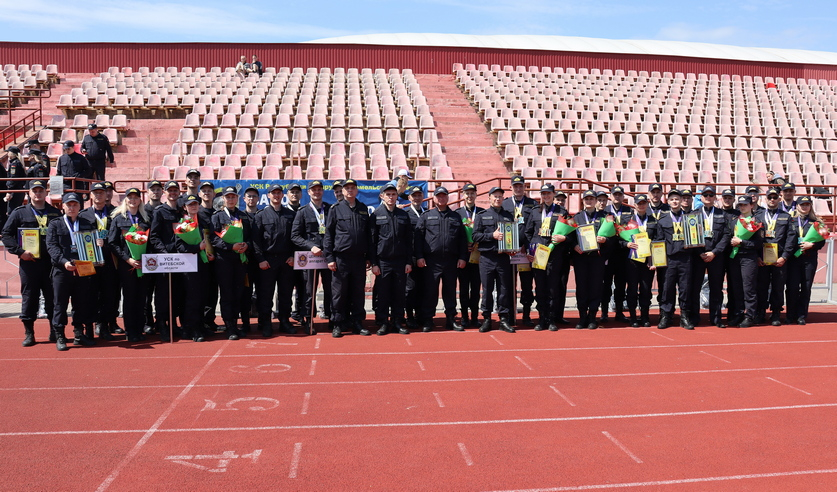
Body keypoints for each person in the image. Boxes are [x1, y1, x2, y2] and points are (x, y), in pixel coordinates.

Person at [1, 179, 61, 346]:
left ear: (46, 192)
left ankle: (54, 331)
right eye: (34, 191)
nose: (38, 194)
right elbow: (6, 235)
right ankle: (29, 333)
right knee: (29, 297)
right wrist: (20, 252)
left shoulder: (55, 213)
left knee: (53, 298)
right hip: (29, 264)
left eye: (41, 190)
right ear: (29, 193)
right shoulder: (19, 213)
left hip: (51, 263)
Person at [46, 192, 96, 351]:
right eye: (69, 205)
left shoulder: (87, 223)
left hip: (82, 269)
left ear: (80, 206)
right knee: (60, 304)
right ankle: (60, 335)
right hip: (62, 270)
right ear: (63, 206)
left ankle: (78, 334)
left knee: (81, 302)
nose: (72, 208)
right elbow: (52, 247)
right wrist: (64, 262)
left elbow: (93, 246)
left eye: (75, 205)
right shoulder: (55, 224)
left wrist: (99, 244)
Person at [415, 186, 467, 332]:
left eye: (444, 196)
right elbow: (418, 238)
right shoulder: (426, 216)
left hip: (451, 260)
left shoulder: (455, 216)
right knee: (430, 291)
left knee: (450, 291)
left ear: (447, 198)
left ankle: (451, 319)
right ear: (434, 198)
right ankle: (428, 319)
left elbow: (462, 239)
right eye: (438, 196)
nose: (441, 198)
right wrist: (419, 256)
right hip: (431, 261)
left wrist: (463, 257)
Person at [323, 179, 370, 337]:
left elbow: (368, 235)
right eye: (347, 188)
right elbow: (329, 235)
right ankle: (337, 323)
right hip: (341, 258)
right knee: (339, 293)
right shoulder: (335, 209)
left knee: (358, 293)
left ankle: (357, 323)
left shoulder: (363, 208)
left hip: (359, 258)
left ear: (356, 190)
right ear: (342, 191)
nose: (350, 190)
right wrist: (330, 258)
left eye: (352, 188)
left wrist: (369, 257)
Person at [523, 183, 569, 331]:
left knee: (553, 288)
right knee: (540, 287)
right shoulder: (535, 211)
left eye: (548, 193)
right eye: (543, 193)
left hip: (554, 254)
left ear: (553, 194)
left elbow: (570, 232)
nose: (546, 196)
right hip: (538, 254)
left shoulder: (562, 211)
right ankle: (542, 318)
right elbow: (528, 232)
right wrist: (531, 249)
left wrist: (564, 238)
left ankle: (551, 319)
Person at [369, 183, 414, 335]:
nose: (391, 197)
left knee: (399, 294)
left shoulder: (403, 215)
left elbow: (408, 241)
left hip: (400, 261)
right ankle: (383, 322)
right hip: (383, 261)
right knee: (383, 294)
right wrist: (374, 263)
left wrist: (408, 261)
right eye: (388, 194)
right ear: (382, 196)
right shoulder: (376, 215)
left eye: (393, 194)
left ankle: (397, 322)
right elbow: (372, 241)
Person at [253, 184, 297, 337]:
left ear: (282, 195)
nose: (276, 196)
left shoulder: (290, 215)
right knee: (266, 294)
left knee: (286, 293)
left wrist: (293, 255)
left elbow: (295, 237)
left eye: (279, 193)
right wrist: (260, 259)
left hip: (286, 260)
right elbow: (256, 240)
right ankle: (266, 323)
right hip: (268, 260)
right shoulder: (261, 215)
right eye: (273, 193)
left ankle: (284, 321)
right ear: (268, 195)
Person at [108, 187, 151, 342]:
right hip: (127, 265)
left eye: (136, 197)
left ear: (140, 200)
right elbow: (112, 243)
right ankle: (130, 331)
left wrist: (145, 259)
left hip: (144, 265)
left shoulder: (146, 219)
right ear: (125, 200)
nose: (133, 200)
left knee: (142, 297)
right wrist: (128, 259)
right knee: (130, 297)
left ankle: (139, 329)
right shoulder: (118, 219)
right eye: (130, 197)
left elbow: (151, 241)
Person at [211, 186, 253, 340]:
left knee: (238, 293)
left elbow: (250, 236)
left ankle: (235, 322)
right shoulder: (217, 216)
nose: (230, 199)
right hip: (224, 261)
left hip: (240, 260)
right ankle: (229, 326)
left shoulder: (243, 216)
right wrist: (230, 246)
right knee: (227, 293)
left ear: (237, 198)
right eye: (228, 197)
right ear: (223, 198)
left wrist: (246, 245)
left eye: (233, 197)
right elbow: (214, 239)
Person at [472, 186, 515, 333]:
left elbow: (512, 236)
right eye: (495, 196)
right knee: (487, 290)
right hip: (487, 258)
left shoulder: (508, 216)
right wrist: (492, 236)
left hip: (503, 258)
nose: (498, 199)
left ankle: (503, 319)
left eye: (500, 196)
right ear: (489, 198)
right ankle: (487, 319)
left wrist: (512, 247)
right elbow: (475, 236)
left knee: (504, 289)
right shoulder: (482, 215)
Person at [687, 186, 732, 327]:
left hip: (716, 256)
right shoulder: (693, 214)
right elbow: (691, 237)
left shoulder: (722, 214)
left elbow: (727, 235)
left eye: (711, 195)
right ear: (700, 197)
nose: (708, 197)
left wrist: (715, 252)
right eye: (705, 195)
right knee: (695, 287)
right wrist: (700, 253)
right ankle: (694, 317)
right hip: (698, 256)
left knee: (716, 287)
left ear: (715, 197)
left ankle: (716, 318)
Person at [79, 182, 118, 340]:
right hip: (90, 261)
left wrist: (106, 243)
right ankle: (90, 326)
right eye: (96, 193)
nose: (99, 195)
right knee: (90, 294)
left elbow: (118, 237)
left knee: (109, 295)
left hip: (110, 260)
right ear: (91, 195)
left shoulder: (115, 213)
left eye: (102, 192)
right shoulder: (83, 215)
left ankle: (105, 326)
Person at [291, 180, 332, 332]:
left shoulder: (330, 209)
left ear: (323, 191)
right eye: (313, 190)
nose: (316, 192)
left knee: (330, 288)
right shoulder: (302, 211)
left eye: (319, 189)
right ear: (308, 192)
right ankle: (309, 319)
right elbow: (295, 236)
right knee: (309, 289)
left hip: (327, 255)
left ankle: (331, 317)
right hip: (310, 257)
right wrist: (310, 246)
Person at [755, 187, 798, 325]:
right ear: (765, 199)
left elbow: (791, 238)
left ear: (779, 199)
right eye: (770, 197)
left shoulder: (786, 216)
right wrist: (756, 256)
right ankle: (761, 312)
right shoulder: (758, 216)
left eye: (775, 197)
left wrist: (784, 256)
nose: (772, 200)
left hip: (779, 258)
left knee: (778, 286)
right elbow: (752, 237)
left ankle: (776, 313)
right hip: (762, 257)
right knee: (761, 286)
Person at [149, 181, 185, 341]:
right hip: (165, 260)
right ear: (165, 192)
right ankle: (162, 324)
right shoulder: (159, 212)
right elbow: (154, 236)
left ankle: (173, 323)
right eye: (170, 190)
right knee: (163, 294)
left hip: (181, 259)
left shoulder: (182, 211)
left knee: (177, 293)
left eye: (175, 190)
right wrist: (164, 254)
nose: (173, 193)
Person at [653, 189, 694, 329]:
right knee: (667, 288)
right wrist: (657, 260)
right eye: (672, 199)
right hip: (669, 259)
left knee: (685, 288)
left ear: (681, 201)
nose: (675, 202)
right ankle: (666, 315)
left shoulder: (689, 218)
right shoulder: (663, 219)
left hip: (685, 258)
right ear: (668, 202)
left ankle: (684, 317)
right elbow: (659, 240)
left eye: (677, 199)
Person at [173, 194, 211, 342]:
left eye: (195, 204)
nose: (193, 207)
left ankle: (200, 325)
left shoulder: (204, 221)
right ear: (185, 207)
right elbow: (179, 246)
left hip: (204, 263)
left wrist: (209, 252)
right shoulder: (182, 224)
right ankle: (191, 329)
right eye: (190, 204)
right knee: (192, 298)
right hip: (189, 265)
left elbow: (210, 240)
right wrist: (197, 248)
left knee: (202, 296)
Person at [570, 190, 610, 329]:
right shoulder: (576, 217)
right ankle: (582, 317)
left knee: (595, 287)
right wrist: (574, 246)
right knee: (581, 287)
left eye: (591, 199)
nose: (589, 201)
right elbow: (569, 236)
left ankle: (592, 316)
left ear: (596, 201)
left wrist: (605, 240)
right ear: (583, 201)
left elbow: (613, 237)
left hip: (597, 258)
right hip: (581, 257)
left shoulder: (605, 217)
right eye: (586, 199)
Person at [618, 194, 657, 327]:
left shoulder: (653, 220)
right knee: (632, 289)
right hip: (632, 261)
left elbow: (658, 239)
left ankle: (645, 316)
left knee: (646, 289)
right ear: (634, 205)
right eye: (639, 203)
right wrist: (626, 244)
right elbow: (618, 240)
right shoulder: (626, 221)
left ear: (647, 204)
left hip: (647, 261)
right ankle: (633, 317)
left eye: (643, 203)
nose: (641, 205)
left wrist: (654, 260)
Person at [502, 175, 536, 325]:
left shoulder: (533, 204)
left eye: (520, 186)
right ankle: (511, 315)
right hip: (509, 252)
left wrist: (527, 246)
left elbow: (534, 227)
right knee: (509, 284)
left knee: (527, 284)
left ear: (524, 187)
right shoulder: (504, 204)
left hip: (525, 252)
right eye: (515, 186)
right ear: (511, 187)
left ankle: (526, 314)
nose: (518, 188)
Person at [785, 196, 824, 325]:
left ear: (810, 206)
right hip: (793, 259)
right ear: (797, 206)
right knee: (792, 287)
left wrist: (812, 245)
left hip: (809, 259)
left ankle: (801, 315)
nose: (804, 207)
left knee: (806, 287)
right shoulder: (791, 220)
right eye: (802, 204)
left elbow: (822, 241)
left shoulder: (817, 222)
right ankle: (790, 314)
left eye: (807, 204)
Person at [727, 195, 764, 327]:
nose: (742, 207)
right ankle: (739, 313)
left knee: (749, 287)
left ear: (751, 206)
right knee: (736, 288)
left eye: (745, 205)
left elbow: (759, 243)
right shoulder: (734, 220)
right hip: (734, 257)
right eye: (740, 205)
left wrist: (742, 242)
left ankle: (750, 315)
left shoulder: (756, 222)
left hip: (748, 257)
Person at [601, 185, 632, 323]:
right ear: (611, 196)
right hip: (608, 253)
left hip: (623, 253)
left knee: (621, 284)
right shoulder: (605, 211)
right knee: (606, 284)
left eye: (620, 194)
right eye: (615, 194)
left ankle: (619, 312)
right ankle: (604, 312)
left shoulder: (629, 211)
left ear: (623, 196)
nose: (617, 197)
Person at [455, 183, 483, 328]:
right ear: (463, 195)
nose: (470, 196)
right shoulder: (457, 213)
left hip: (478, 256)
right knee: (464, 288)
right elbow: (454, 235)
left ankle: (475, 316)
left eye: (472, 193)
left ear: (476, 195)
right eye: (467, 193)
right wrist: (463, 246)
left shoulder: (482, 212)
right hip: (463, 256)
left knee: (476, 289)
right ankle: (464, 316)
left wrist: (477, 244)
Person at [404, 185, 426, 328]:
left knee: (422, 287)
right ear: (409, 198)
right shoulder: (405, 214)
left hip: (425, 257)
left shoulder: (427, 213)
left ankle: (420, 315)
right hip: (411, 257)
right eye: (414, 196)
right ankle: (409, 316)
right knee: (410, 288)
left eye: (419, 195)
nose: (417, 198)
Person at [285, 183, 307, 326]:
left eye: (297, 192)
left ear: (301, 195)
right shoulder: (283, 211)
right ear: (287, 194)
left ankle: (300, 314)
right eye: (292, 192)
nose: (295, 194)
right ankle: (284, 316)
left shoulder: (305, 211)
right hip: (287, 257)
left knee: (303, 287)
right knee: (285, 289)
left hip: (303, 255)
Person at [143, 180, 163, 333]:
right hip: (146, 256)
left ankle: (161, 322)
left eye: (158, 189)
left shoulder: (165, 209)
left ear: (162, 192)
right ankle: (147, 322)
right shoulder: (142, 211)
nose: (155, 192)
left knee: (161, 294)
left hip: (162, 257)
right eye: (152, 189)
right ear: (147, 192)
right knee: (146, 293)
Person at [198, 181, 219, 332]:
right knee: (202, 291)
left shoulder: (218, 213)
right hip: (201, 258)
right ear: (199, 194)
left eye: (209, 191)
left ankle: (210, 320)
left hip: (217, 258)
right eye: (204, 190)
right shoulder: (196, 213)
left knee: (213, 291)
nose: (206, 193)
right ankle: (201, 322)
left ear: (214, 194)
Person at [6, 146, 27, 211]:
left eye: (8, 152)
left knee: (11, 211)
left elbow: (13, 179)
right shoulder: (17, 162)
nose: (7, 154)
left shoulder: (14, 164)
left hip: (15, 191)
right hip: (18, 190)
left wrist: (9, 191)